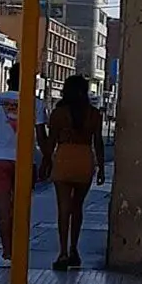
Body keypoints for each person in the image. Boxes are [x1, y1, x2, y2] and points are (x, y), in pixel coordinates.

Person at [0, 65, 49, 266]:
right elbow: (41, 136)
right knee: (21, 207)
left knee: (3, 208)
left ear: (9, 79)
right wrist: (47, 158)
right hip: (25, 161)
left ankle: (7, 250)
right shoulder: (36, 104)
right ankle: (19, 247)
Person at [40, 75, 105, 271]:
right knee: (78, 207)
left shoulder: (59, 114)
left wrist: (45, 162)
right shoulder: (94, 114)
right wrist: (101, 166)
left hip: (64, 157)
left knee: (63, 208)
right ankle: (74, 249)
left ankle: (62, 253)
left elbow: (50, 143)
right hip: (85, 158)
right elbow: (98, 142)